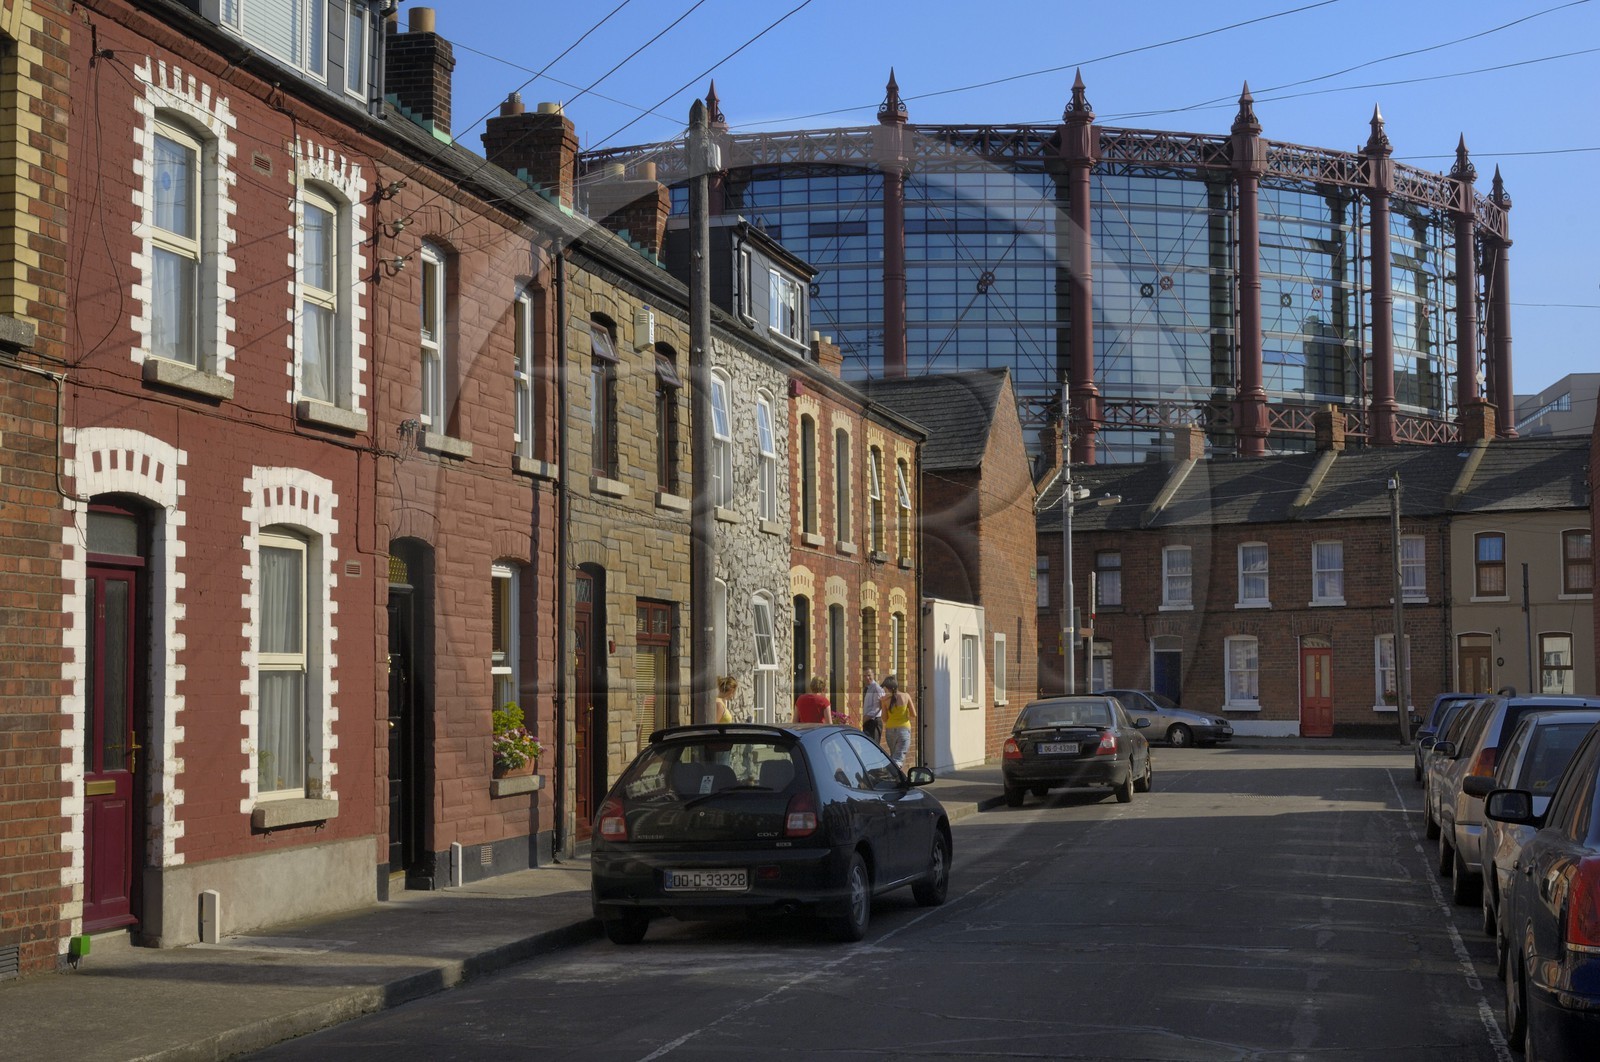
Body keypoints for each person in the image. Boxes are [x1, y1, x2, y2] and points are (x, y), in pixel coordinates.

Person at [882, 673, 917, 770]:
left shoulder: (885, 700)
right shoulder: (906, 696)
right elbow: (914, 714)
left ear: (887, 688)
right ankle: (892, 776)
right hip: (903, 729)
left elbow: (884, 719)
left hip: (890, 730)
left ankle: (893, 777)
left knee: (894, 756)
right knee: (898, 759)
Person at [861, 668, 886, 744]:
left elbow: (877, 708)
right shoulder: (867, 688)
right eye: (864, 676)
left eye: (869, 675)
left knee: (873, 747)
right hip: (867, 722)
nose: (867, 678)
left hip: (874, 722)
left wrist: (863, 720)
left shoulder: (876, 688)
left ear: (873, 675)